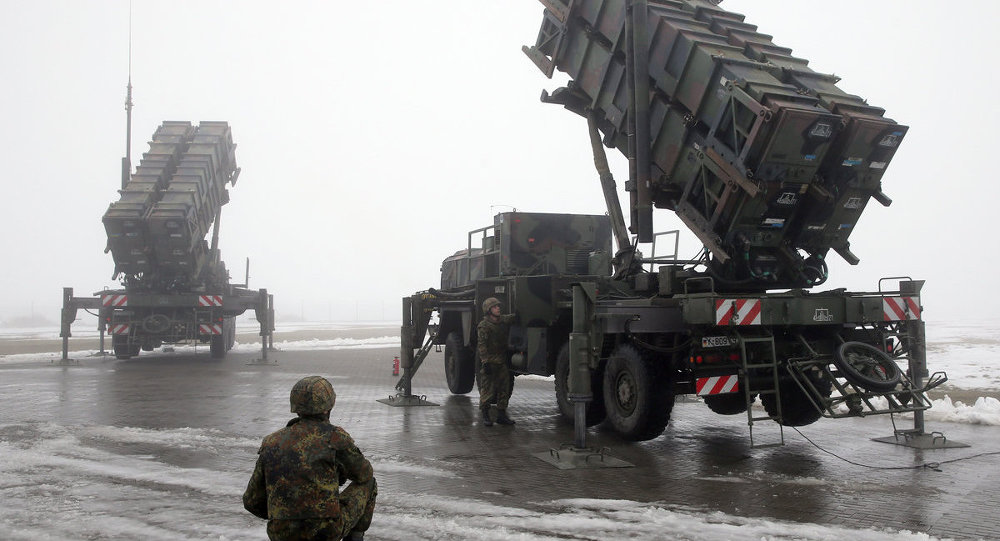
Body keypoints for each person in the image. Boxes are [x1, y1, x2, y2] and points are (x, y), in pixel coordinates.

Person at [243, 376, 377, 541]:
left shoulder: (272, 442)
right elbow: (364, 474)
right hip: (325, 532)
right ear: (328, 407)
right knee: (370, 484)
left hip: (281, 533)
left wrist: (282, 515)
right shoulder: (334, 437)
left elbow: (251, 501)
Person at [477, 297, 517, 427]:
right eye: (495, 307)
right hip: (490, 361)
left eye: (498, 306)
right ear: (489, 310)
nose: (498, 308)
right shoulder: (484, 325)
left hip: (501, 361)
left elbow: (512, 318)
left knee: (504, 388)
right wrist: (485, 362)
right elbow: (482, 345)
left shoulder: (501, 320)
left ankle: (501, 415)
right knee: (487, 389)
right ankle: (485, 415)